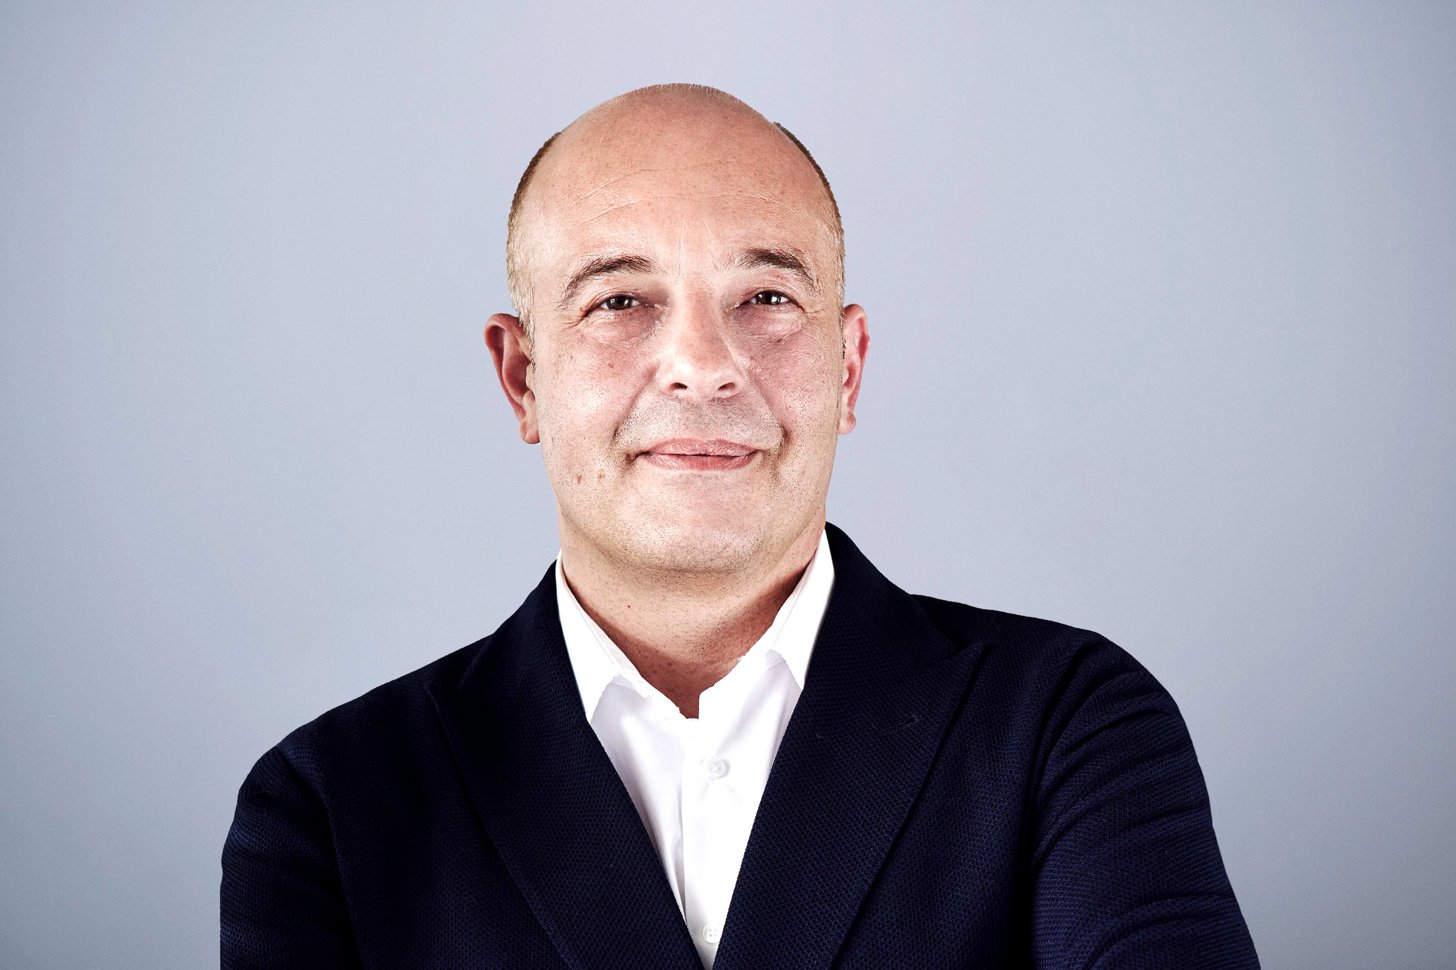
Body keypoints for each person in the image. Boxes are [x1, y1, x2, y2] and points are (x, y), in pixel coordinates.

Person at [221, 84, 1259, 969]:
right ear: (522, 376)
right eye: (620, 301)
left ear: (847, 368)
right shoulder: (331, 807)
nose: (704, 365)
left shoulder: (1068, 726)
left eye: (765, 296)